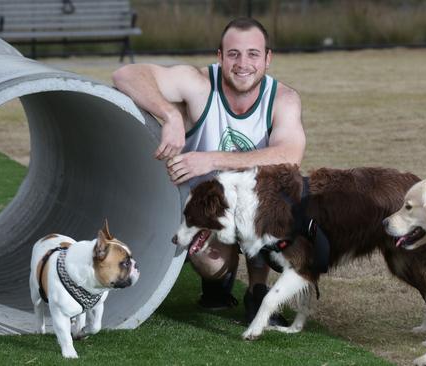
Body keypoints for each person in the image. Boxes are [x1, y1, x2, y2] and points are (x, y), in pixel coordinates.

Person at [112, 17, 305, 324]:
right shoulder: (200, 85)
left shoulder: (282, 99)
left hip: (255, 206)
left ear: (268, 58)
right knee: (211, 264)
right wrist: (170, 115)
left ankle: (257, 292)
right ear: (219, 56)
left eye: (253, 54)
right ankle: (218, 281)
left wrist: (211, 160)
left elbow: (290, 156)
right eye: (234, 54)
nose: (243, 64)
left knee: (281, 199)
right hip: (209, 210)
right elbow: (126, 75)